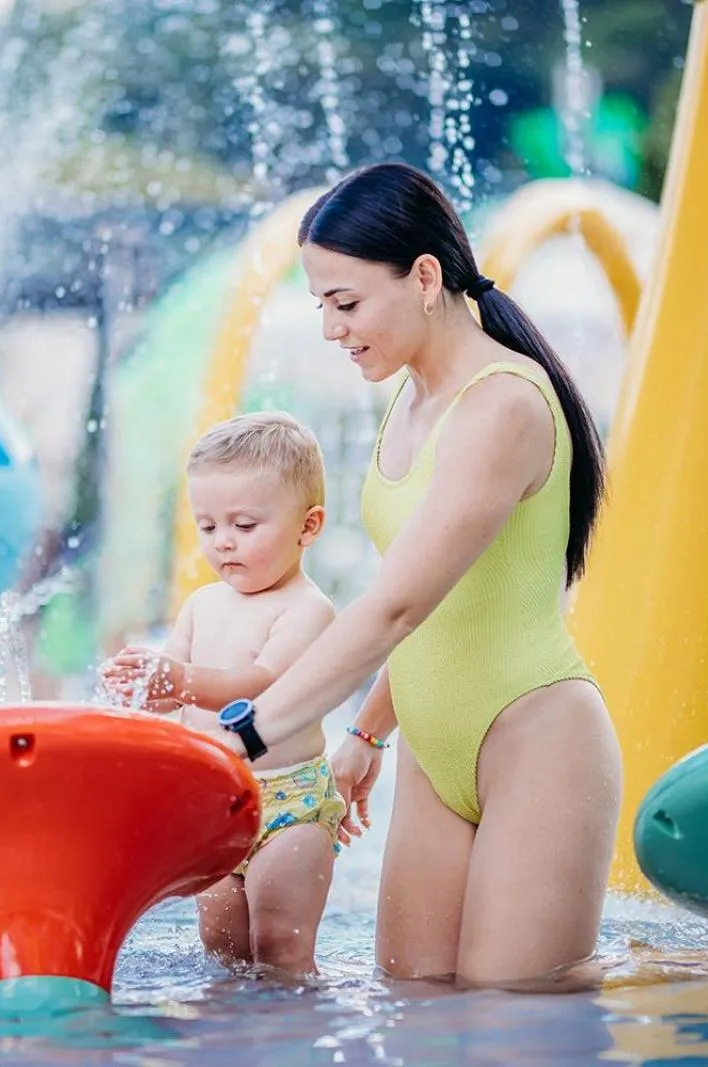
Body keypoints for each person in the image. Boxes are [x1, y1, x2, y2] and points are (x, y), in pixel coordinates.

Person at [203, 162, 623, 993]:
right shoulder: (410, 397)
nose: (329, 327)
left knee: (510, 1017)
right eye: (320, 302)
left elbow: (393, 604)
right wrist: (366, 735)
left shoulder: (502, 403)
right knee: (416, 1007)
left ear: (425, 276)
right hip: (435, 750)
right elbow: (443, 597)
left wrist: (246, 734)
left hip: (536, 741)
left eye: (346, 302)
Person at [99, 411, 343, 977]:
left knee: (280, 942)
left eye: (245, 525)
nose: (224, 542)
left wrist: (179, 679)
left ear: (308, 527)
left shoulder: (307, 610)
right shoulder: (201, 606)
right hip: (216, 802)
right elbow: (180, 699)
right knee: (223, 944)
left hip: (290, 807)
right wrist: (141, 687)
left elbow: (264, 689)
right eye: (208, 527)